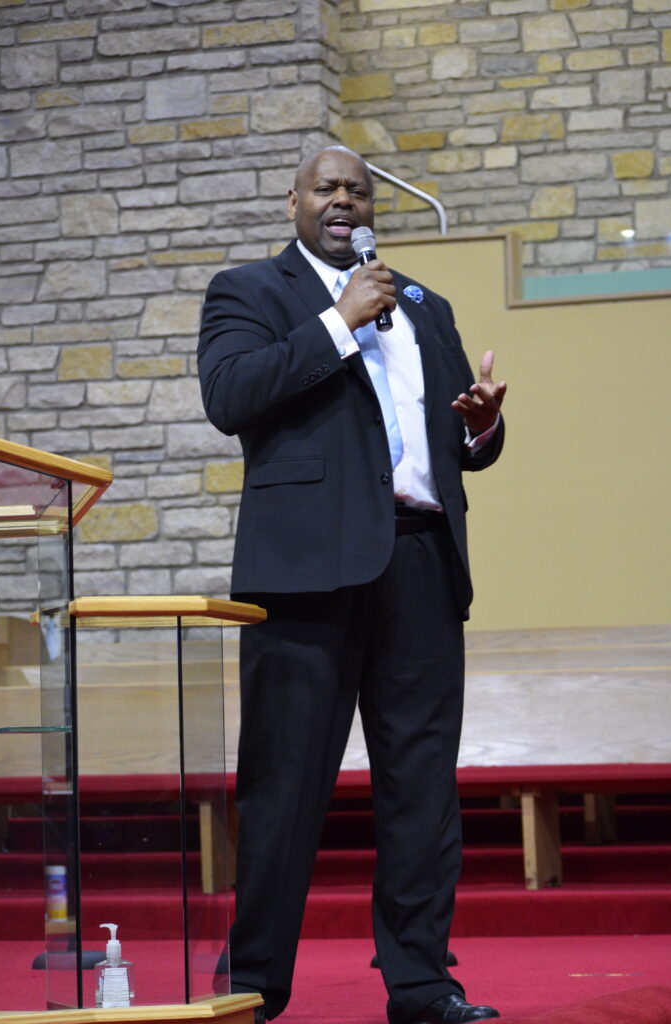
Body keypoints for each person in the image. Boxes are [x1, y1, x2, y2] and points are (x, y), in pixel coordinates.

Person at [198, 145, 506, 1024]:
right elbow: (230, 396)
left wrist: (482, 429)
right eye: (326, 188)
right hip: (306, 573)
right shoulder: (248, 292)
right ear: (293, 201)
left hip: (421, 563)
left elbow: (451, 441)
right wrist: (337, 322)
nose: (343, 200)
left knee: (422, 790)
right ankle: (253, 984)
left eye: (357, 190)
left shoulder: (424, 306)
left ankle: (422, 984)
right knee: (285, 786)